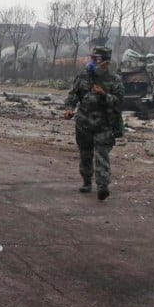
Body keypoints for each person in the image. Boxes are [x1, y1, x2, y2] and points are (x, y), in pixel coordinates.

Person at [63, 45, 124, 200]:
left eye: (96, 59)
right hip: (84, 122)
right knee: (85, 153)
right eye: (92, 58)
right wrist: (69, 108)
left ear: (105, 62)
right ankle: (86, 181)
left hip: (103, 124)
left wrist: (104, 95)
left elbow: (118, 102)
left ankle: (103, 185)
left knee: (101, 155)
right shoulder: (83, 76)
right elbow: (73, 95)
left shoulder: (114, 80)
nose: (93, 62)